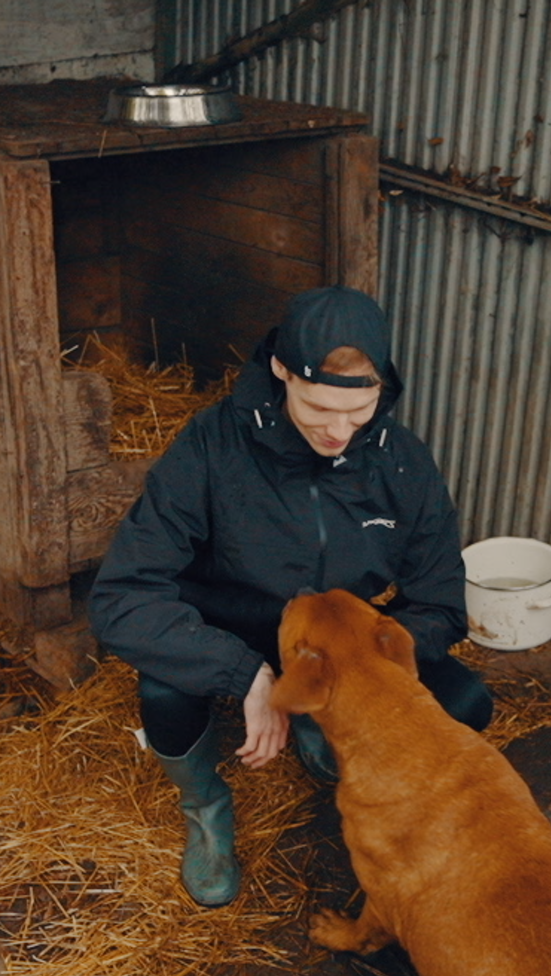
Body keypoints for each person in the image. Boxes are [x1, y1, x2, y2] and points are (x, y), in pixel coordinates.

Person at [88, 286, 493, 908]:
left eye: (358, 414)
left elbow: (440, 602)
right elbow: (120, 596)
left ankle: (318, 724)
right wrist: (246, 672)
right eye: (318, 409)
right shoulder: (212, 445)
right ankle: (205, 811)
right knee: (164, 689)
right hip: (232, 625)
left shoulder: (401, 462)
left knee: (464, 701)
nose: (338, 433)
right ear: (281, 371)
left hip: (336, 640)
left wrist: (358, 672)